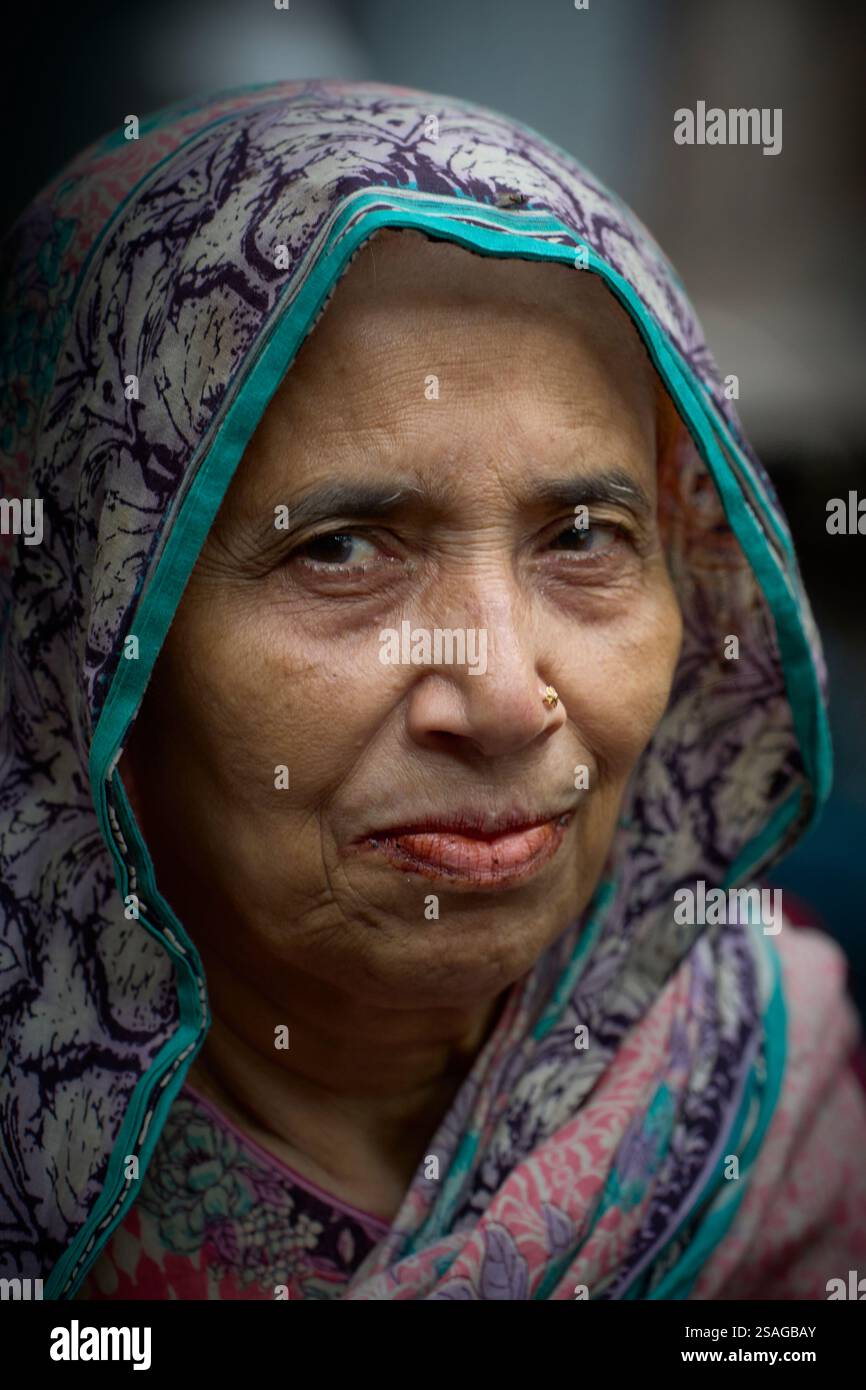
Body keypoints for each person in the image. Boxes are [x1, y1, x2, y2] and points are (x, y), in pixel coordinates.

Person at [1, 79, 864, 1302]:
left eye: (582, 535)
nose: (507, 700)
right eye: (341, 550)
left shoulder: (755, 1089)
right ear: (76, 638)